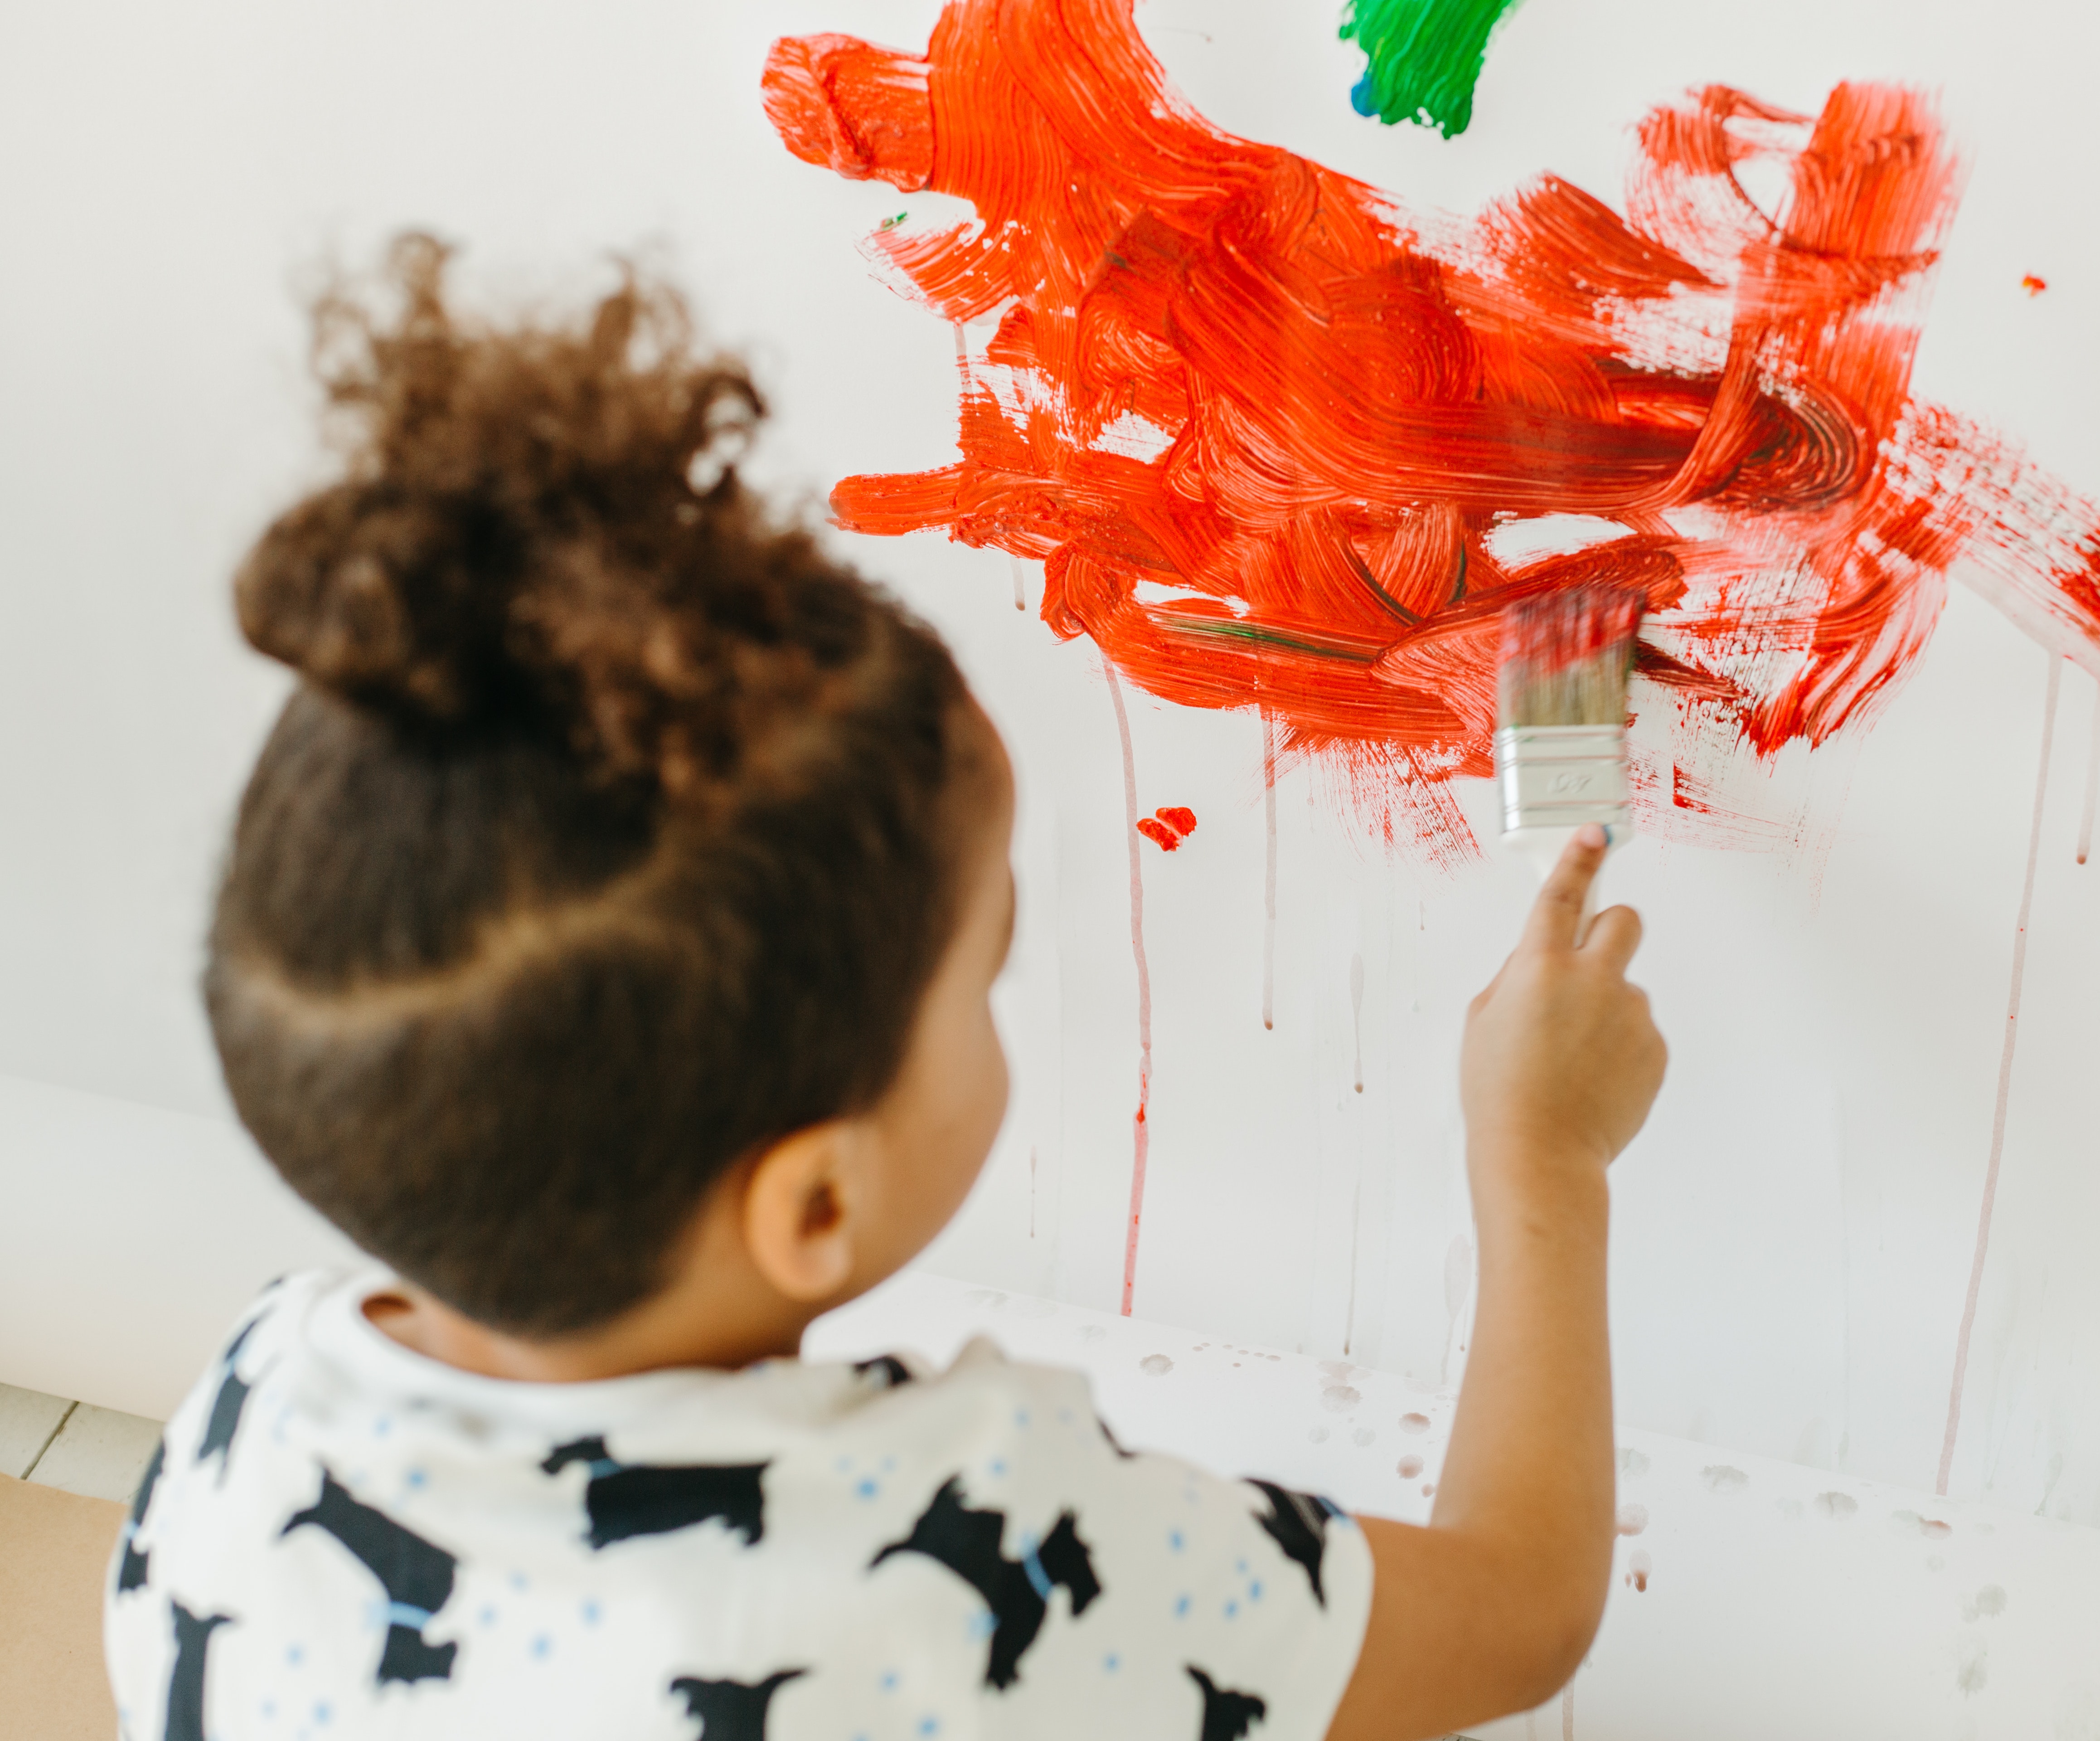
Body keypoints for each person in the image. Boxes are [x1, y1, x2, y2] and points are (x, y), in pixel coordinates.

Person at [102, 237, 1667, 1741]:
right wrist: (1544, 1161)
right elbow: (1520, 1616)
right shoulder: (983, 1558)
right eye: (990, 968)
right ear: (816, 1205)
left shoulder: (253, 1410)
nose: (1007, 982)